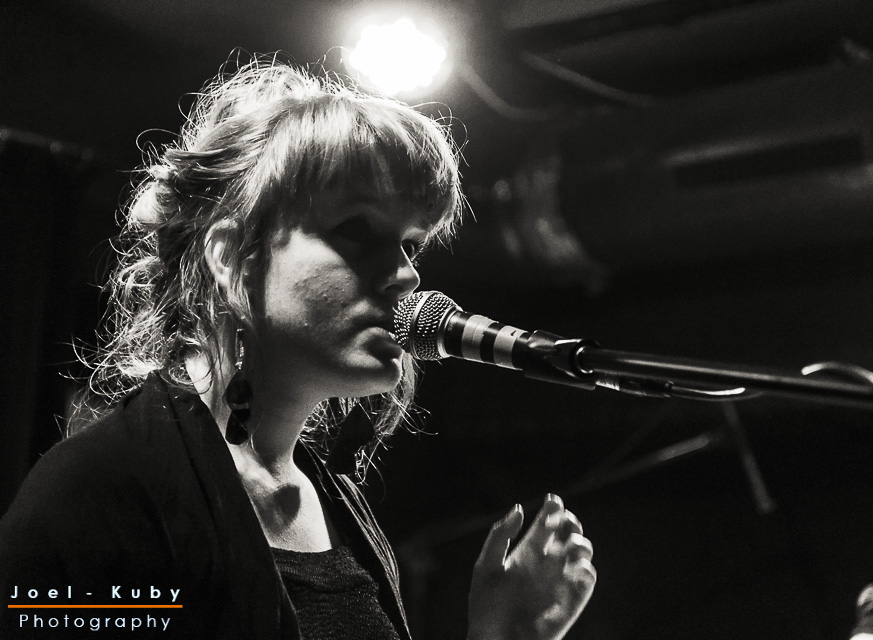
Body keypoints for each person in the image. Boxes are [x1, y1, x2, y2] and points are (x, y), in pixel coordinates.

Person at [0, 57, 596, 639]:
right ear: (233, 258)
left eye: (411, 244)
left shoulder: (334, 504)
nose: (406, 274)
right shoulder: (100, 491)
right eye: (357, 229)